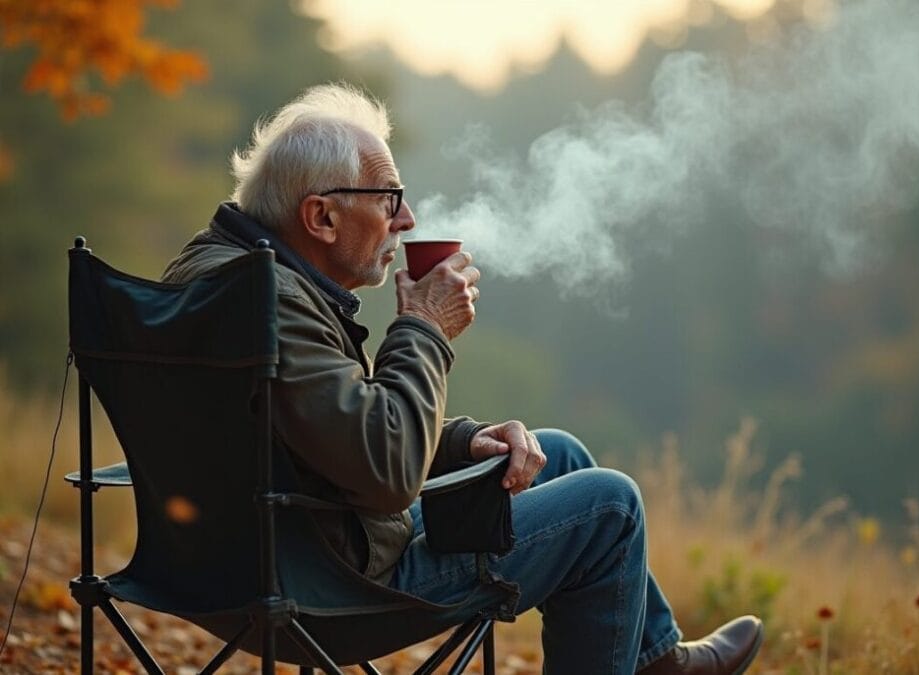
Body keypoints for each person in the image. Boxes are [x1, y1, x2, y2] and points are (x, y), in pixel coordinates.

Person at [162, 82, 763, 675]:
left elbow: (325, 425)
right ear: (321, 216)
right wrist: (423, 327)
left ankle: (657, 660)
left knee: (560, 457)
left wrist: (463, 442)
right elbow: (385, 471)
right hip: (324, 586)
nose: (407, 219)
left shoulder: (213, 273)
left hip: (245, 552)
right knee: (611, 507)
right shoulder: (271, 301)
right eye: (388, 198)